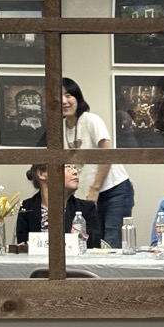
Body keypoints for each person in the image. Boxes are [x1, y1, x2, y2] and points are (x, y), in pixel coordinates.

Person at [60, 76, 134, 246]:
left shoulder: (90, 119)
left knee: (112, 241)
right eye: (59, 97)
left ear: (77, 98)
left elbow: (107, 152)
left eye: (68, 95)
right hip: (89, 195)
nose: (64, 101)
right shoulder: (60, 128)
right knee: (93, 241)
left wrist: (94, 189)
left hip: (114, 190)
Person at [15, 163, 101, 248]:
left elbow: (94, 243)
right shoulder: (27, 209)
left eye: (75, 167)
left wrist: (78, 236)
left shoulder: (87, 209)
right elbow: (23, 247)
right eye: (67, 167)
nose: (75, 172)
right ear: (42, 173)